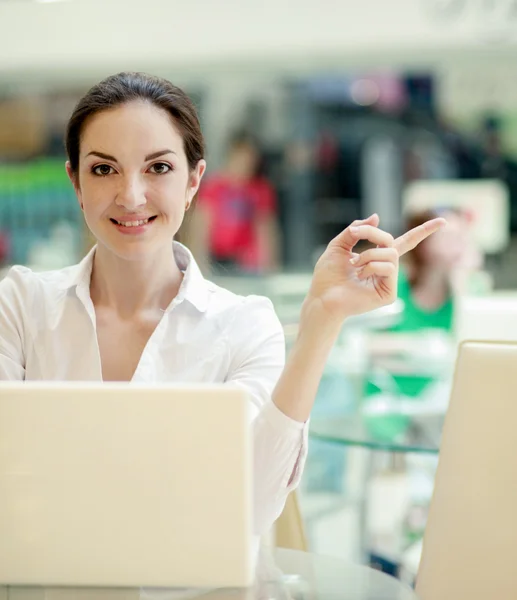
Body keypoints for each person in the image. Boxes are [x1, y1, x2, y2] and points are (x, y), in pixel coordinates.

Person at [0, 72, 444, 538]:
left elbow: (252, 507)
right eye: (104, 169)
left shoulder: (243, 325)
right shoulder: (23, 306)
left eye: (159, 168)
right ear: (76, 182)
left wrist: (321, 321)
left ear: (194, 181)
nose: (131, 196)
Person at [191, 131, 280, 274]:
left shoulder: (260, 189)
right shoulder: (213, 187)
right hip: (217, 259)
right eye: (241, 158)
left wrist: (269, 267)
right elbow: (202, 227)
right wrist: (200, 265)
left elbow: (265, 229)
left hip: (247, 262)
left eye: (250, 159)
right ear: (231, 156)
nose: (245, 164)